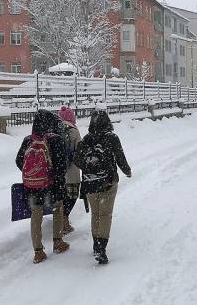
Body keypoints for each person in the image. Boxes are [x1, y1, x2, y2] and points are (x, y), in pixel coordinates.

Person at [74, 110, 132, 264]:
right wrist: (127, 170)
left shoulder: (85, 140)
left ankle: (95, 244)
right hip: (108, 182)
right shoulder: (112, 138)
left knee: (96, 214)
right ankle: (101, 248)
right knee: (105, 215)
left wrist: (89, 166)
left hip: (90, 182)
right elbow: (120, 157)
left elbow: (77, 160)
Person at [15, 110, 70, 264]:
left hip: (32, 187)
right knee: (58, 210)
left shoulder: (28, 140)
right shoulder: (56, 139)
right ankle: (58, 242)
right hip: (52, 185)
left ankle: (38, 252)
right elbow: (61, 165)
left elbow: (19, 161)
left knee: (36, 215)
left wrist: (34, 173)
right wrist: (52, 177)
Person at [58, 106, 82, 236]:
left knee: (61, 196)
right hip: (72, 171)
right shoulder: (73, 130)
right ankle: (64, 219)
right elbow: (80, 150)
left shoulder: (54, 129)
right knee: (72, 196)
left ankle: (60, 219)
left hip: (57, 172)